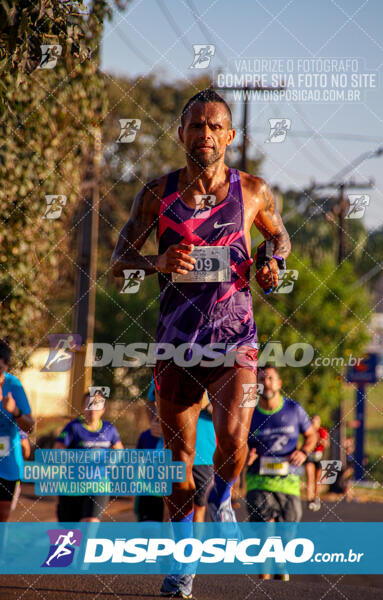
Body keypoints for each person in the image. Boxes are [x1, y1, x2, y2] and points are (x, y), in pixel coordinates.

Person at [111, 88, 290, 598]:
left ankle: (226, 496)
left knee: (235, 438)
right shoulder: (157, 193)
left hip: (237, 339)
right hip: (176, 344)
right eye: (196, 125)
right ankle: (183, 566)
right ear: (181, 133)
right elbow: (121, 256)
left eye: (215, 127)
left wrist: (274, 261)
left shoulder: (253, 190)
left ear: (230, 136)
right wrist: (156, 263)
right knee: (179, 465)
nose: (205, 134)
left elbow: (279, 237)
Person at [246, 365, 317, 581]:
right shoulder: (249, 412)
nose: (265, 382)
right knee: (264, 533)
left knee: (287, 535)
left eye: (270, 378)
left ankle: (281, 568)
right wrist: (244, 455)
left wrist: (304, 452)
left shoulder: (294, 409)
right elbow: (236, 442)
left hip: (289, 482)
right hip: (258, 480)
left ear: (279, 383)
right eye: (261, 379)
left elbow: (311, 436)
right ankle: (264, 580)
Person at [144, 379, 216, 523]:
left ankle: (194, 546)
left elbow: (225, 409)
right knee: (171, 510)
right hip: (173, 450)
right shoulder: (168, 365)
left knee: (198, 509)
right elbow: (150, 401)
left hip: (204, 453)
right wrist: (153, 420)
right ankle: (171, 546)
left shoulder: (213, 372)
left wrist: (207, 403)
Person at [54, 391, 123, 522]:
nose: (92, 409)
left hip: (98, 485)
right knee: (67, 534)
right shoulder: (73, 427)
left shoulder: (109, 429)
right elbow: (57, 451)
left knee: (90, 523)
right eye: (88, 405)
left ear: (103, 409)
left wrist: (111, 463)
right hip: (72, 486)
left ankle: (86, 543)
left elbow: (119, 450)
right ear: (82, 408)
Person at [0, 340, 34, 522]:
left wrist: (15, 411)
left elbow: (29, 426)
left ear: (6, 366)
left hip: (7, 463)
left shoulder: (14, 385)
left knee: (2, 517)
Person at [305, 415, 329, 511]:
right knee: (309, 478)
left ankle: (316, 498)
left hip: (318, 456)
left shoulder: (322, 431)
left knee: (317, 480)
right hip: (310, 456)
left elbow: (327, 444)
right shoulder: (308, 431)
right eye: (313, 421)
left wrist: (322, 441)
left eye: (316, 422)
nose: (314, 423)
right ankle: (309, 499)